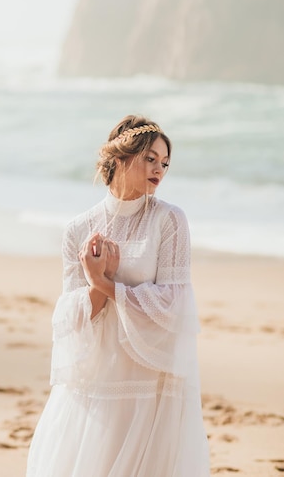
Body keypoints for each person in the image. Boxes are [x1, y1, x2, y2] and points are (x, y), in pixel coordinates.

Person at [26, 114, 210, 477]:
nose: (160, 169)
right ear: (122, 158)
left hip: (151, 378)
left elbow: (174, 305)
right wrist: (96, 284)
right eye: (151, 159)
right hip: (100, 377)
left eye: (165, 162)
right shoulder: (78, 229)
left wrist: (104, 282)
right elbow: (72, 320)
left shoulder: (169, 220)